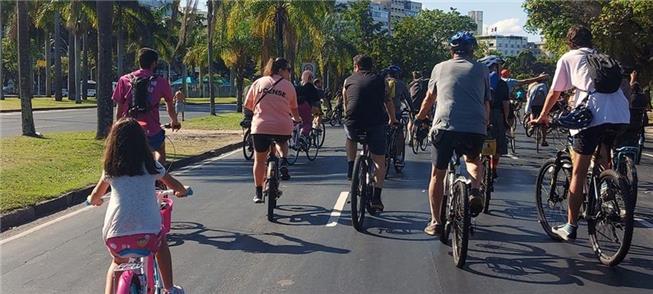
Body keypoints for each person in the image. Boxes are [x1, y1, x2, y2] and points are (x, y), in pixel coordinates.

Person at [532, 25, 630, 241]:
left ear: (570, 42)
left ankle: (570, 225)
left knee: (579, 170)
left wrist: (542, 117)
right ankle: (608, 187)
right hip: (620, 113)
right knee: (605, 152)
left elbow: (555, 92)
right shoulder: (603, 57)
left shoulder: (569, 57)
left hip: (591, 115)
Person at [88, 118, 188, 294]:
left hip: (115, 236)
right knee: (161, 243)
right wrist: (181, 191)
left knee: (117, 263)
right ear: (142, 141)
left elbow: (96, 195)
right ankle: (169, 288)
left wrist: (93, 200)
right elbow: (176, 186)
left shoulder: (110, 168)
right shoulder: (151, 165)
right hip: (148, 235)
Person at [415, 31, 491, 235]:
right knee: (474, 161)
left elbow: (429, 98)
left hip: (445, 127)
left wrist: (419, 118)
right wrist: (485, 124)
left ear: (452, 50)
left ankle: (435, 221)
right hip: (475, 127)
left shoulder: (439, 68)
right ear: (472, 50)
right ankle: (475, 189)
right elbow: (486, 102)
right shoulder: (483, 69)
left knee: (437, 174)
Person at [343, 54, 398, 212]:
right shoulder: (381, 80)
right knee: (380, 160)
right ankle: (376, 197)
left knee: (350, 137)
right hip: (375, 122)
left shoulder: (348, 80)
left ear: (356, 66)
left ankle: (351, 166)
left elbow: (347, 102)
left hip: (354, 121)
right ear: (371, 67)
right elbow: (387, 101)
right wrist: (392, 119)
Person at [244, 58, 302, 203]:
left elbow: (248, 105)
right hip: (282, 126)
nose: (289, 73)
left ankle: (258, 192)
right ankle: (283, 161)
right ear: (281, 70)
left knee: (259, 160)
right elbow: (294, 110)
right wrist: (297, 119)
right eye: (288, 70)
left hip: (260, 127)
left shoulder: (259, 82)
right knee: (282, 142)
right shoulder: (289, 86)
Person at [113, 48, 182, 164]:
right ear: (154, 63)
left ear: (139, 61)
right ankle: (158, 178)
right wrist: (175, 122)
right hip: (152, 130)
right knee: (160, 150)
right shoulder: (161, 82)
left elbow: (119, 109)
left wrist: (118, 127)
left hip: (129, 129)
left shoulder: (124, 80)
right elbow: (169, 106)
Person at [478, 55, 510, 176]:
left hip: (481, 113)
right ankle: (493, 167)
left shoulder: (480, 80)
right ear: (495, 67)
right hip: (497, 114)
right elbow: (505, 103)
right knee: (499, 143)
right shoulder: (501, 83)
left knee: (480, 140)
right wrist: (506, 119)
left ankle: (481, 163)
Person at [385, 65, 409, 167]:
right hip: (396, 112)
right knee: (399, 133)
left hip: (383, 112)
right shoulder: (401, 84)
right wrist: (412, 110)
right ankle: (399, 156)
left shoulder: (382, 82)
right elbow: (408, 98)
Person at [296, 70, 320, 138]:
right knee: (308, 122)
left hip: (295, 107)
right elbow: (317, 100)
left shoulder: (298, 87)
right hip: (307, 107)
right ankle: (304, 134)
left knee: (298, 122)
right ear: (310, 78)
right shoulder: (312, 88)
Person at [525, 80, 550, 146]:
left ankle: (532, 125)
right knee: (544, 121)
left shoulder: (533, 85)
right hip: (542, 104)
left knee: (532, 113)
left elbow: (528, 96)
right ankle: (544, 140)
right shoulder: (545, 86)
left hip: (533, 103)